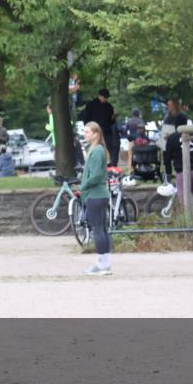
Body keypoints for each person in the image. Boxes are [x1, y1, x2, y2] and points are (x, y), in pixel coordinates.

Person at [81, 121, 112, 276]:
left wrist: (84, 186)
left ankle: (101, 265)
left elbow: (95, 175)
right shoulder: (96, 150)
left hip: (95, 194)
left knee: (98, 230)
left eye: (87, 132)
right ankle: (105, 264)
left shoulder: (96, 151)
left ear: (96, 134)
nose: (84, 134)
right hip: (100, 194)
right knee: (102, 230)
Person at [80, 89, 118, 167]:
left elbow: (110, 122)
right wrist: (89, 129)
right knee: (96, 148)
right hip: (95, 131)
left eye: (106, 98)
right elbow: (86, 118)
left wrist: (113, 118)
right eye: (104, 97)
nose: (105, 99)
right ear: (100, 96)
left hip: (106, 132)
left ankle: (109, 164)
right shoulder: (91, 105)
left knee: (108, 148)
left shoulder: (108, 106)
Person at [163, 120, 193, 198]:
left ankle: (186, 210)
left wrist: (168, 173)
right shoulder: (192, 136)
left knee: (183, 199)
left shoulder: (172, 138)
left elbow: (167, 157)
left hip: (181, 171)